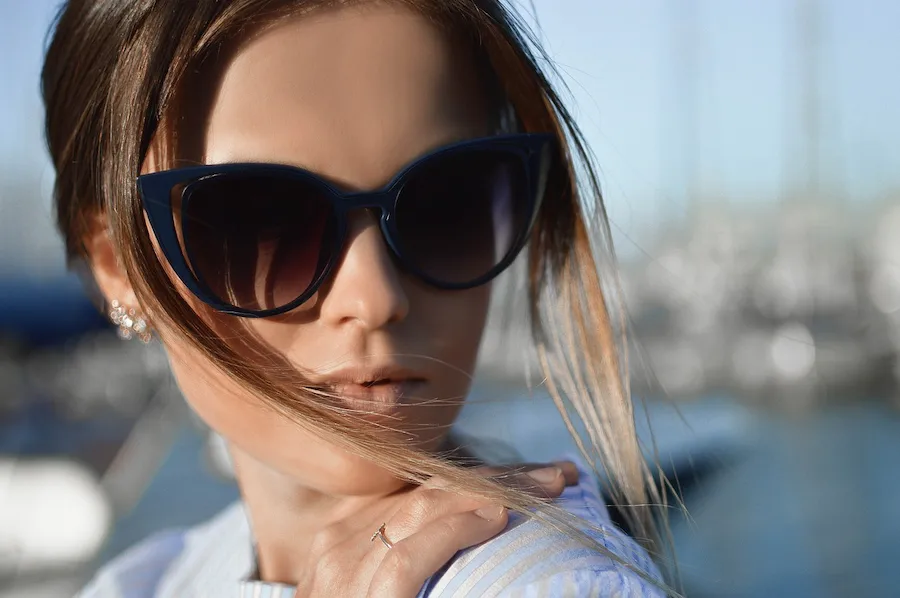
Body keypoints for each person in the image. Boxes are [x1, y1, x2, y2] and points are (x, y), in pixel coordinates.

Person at [42, 0, 676, 596]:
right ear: (116, 265)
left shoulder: (546, 584)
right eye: (258, 222)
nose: (375, 298)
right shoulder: (148, 580)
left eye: (445, 201)